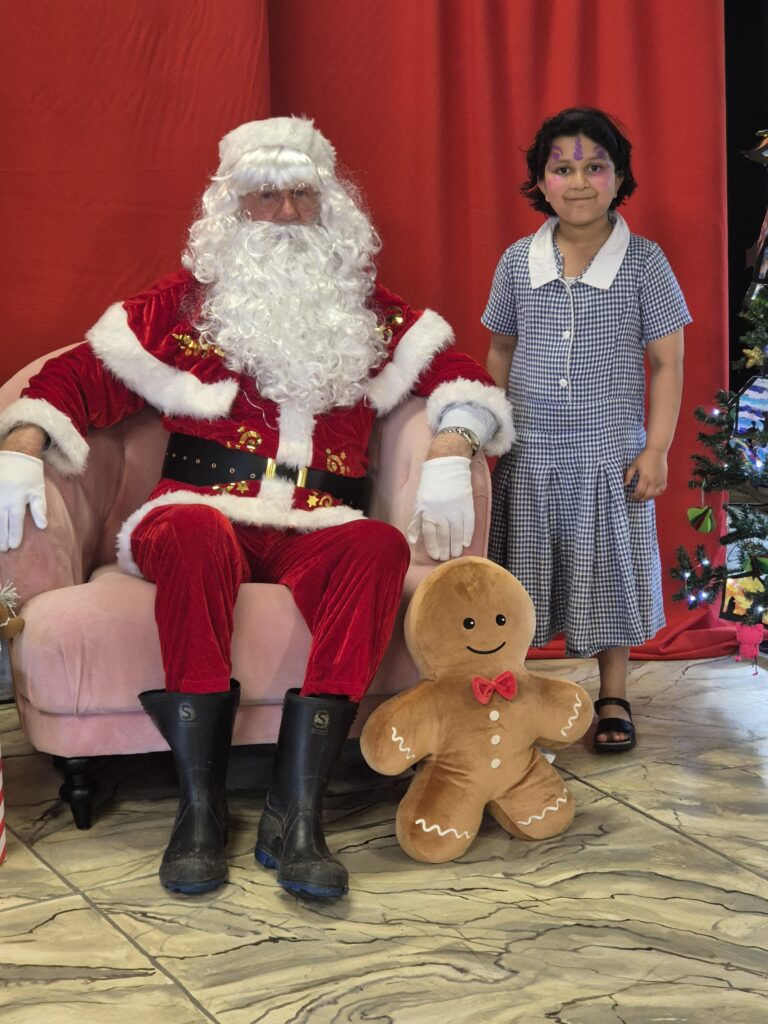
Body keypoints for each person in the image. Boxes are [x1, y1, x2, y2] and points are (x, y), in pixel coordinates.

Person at [0, 117, 513, 899]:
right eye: (262, 195)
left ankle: (294, 812)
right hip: (198, 509)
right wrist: (20, 443)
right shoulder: (181, 308)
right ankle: (199, 809)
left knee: (376, 547)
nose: (281, 213)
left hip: (321, 523)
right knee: (196, 533)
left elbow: (462, 375)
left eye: (298, 195)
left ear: (327, 205)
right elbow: (75, 375)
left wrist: (454, 447)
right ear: (232, 210)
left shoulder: (370, 315)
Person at [483, 107, 689, 754]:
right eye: (562, 167)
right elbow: (500, 351)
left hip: (609, 458)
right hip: (532, 454)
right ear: (540, 182)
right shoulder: (518, 262)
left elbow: (667, 360)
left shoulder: (644, 264)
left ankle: (614, 693)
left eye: (594, 167)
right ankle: (507, 689)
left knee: (607, 574)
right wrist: (493, 423)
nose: (578, 181)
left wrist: (655, 448)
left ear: (619, 177)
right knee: (520, 572)